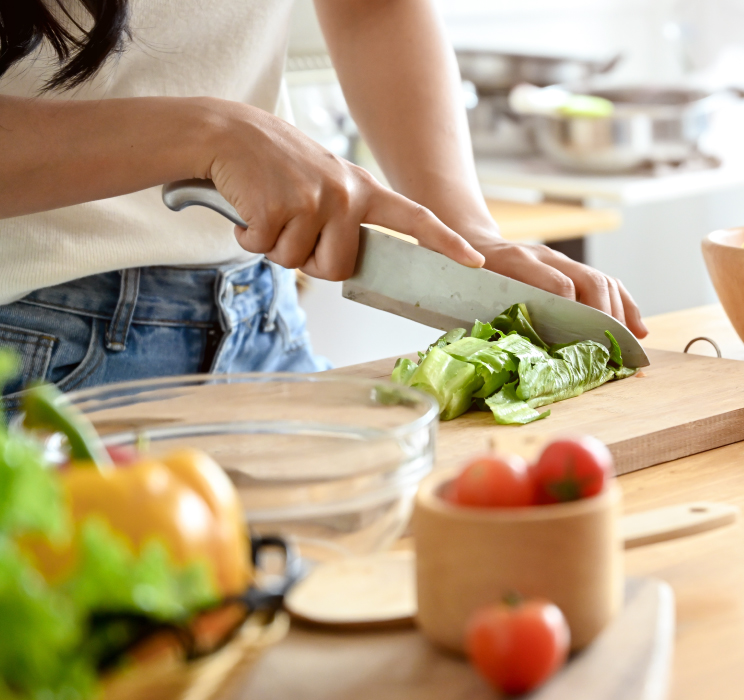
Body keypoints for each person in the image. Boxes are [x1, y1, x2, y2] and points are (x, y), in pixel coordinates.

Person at [0, 0, 646, 409]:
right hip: (33, 364)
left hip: (261, 319)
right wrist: (208, 135)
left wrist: (470, 236)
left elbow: (373, 9)